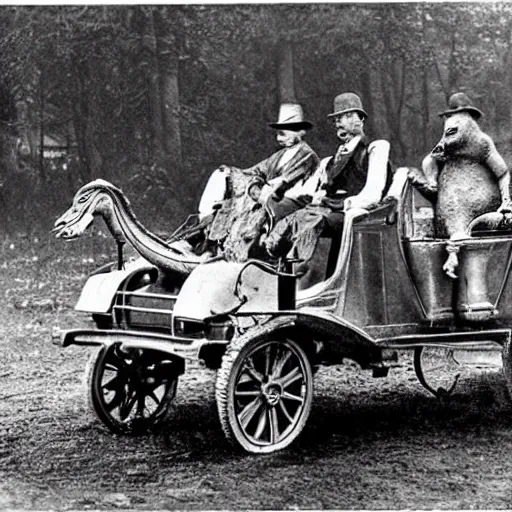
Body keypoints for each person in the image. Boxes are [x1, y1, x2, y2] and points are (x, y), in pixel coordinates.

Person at [263, 92, 391, 270]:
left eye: (347, 116)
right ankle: (285, 270)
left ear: (361, 119)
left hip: (362, 215)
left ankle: (309, 275)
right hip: (332, 210)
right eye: (337, 119)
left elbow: (373, 195)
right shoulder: (330, 161)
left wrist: (339, 203)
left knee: (315, 223)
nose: (340, 123)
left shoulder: (375, 148)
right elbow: (314, 191)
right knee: (290, 220)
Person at [201, 103, 319, 261]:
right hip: (272, 194)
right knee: (230, 192)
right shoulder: (279, 155)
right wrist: (238, 177)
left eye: (283, 134)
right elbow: (256, 171)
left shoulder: (307, 155)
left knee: (261, 206)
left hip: (293, 201)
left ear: (298, 131)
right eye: (278, 134)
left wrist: (262, 190)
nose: (279, 139)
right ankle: (213, 245)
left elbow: (285, 181)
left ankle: (249, 254)